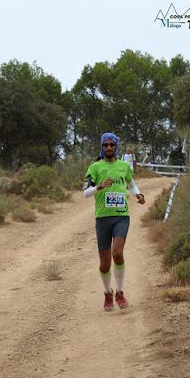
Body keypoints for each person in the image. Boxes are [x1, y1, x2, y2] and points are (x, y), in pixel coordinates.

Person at [83, 133, 145, 312]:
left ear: (116, 147)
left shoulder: (124, 166)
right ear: (102, 147)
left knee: (117, 253)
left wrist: (138, 194)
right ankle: (107, 293)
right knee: (104, 264)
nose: (109, 148)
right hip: (102, 218)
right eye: (105, 145)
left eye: (111, 145)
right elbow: (85, 193)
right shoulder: (95, 167)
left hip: (121, 216)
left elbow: (131, 184)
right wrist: (100, 186)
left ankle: (120, 292)